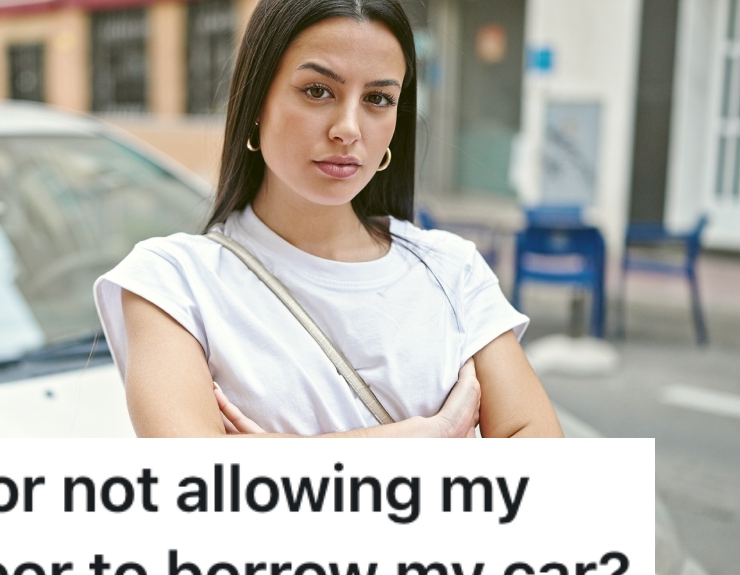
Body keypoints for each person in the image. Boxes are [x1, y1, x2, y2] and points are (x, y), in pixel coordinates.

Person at [94, 0, 562, 438]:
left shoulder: (451, 271)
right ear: (257, 100)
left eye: (378, 99)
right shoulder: (172, 282)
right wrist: (420, 439)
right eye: (318, 91)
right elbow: (194, 482)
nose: (348, 129)